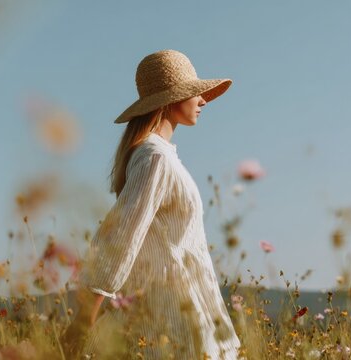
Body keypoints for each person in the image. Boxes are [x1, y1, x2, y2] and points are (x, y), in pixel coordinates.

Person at [60, 49, 242, 359]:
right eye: (195, 92)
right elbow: (120, 234)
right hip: (169, 317)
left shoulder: (162, 155)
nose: (203, 100)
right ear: (172, 99)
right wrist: (85, 315)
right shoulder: (155, 157)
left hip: (182, 308)